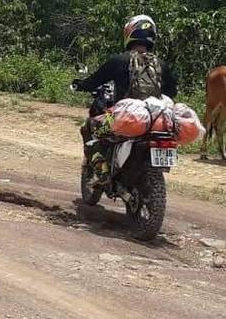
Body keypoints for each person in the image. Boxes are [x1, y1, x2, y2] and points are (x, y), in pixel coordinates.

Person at [70, 15, 178, 189]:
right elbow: (172, 93)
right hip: (154, 121)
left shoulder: (119, 61)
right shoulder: (162, 65)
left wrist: (80, 85)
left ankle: (102, 172)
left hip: (125, 120)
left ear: (130, 33)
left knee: (89, 128)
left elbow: (94, 81)